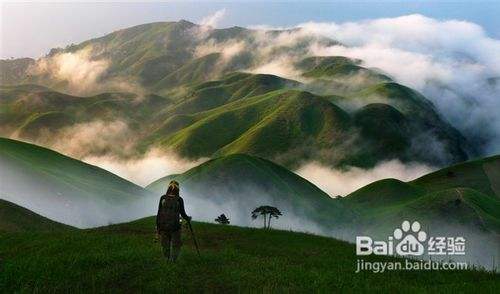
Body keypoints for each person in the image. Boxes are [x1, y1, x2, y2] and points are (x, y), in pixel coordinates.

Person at [156, 180, 191, 261]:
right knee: (176, 245)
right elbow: (182, 214)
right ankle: (173, 261)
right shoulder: (179, 199)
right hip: (175, 227)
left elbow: (159, 213)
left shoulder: (163, 198)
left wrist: (158, 227)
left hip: (163, 226)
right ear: (178, 189)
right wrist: (188, 218)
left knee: (165, 245)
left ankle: (166, 260)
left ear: (168, 188)